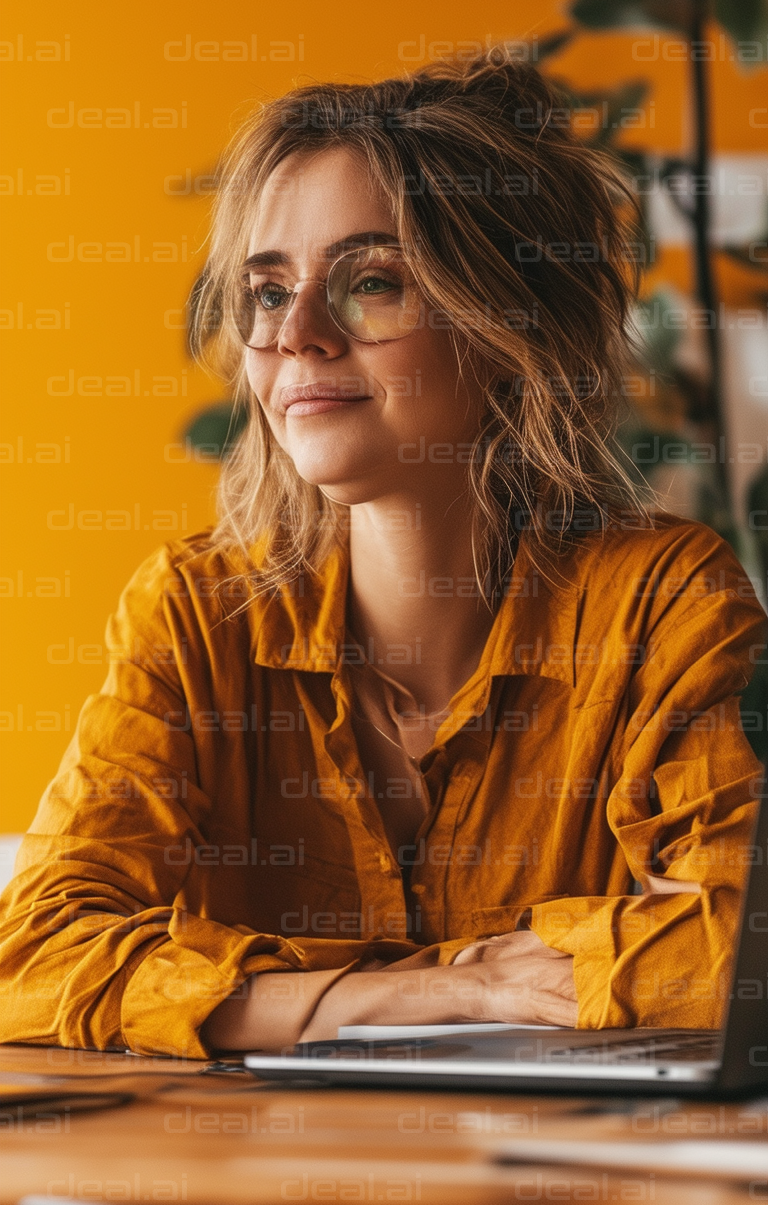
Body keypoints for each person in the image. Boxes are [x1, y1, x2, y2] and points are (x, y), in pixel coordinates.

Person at [0, 53, 764, 1058]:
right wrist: (450, 988)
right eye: (268, 294)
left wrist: (254, 992)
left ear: (505, 324)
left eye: (371, 283)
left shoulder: (663, 605)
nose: (298, 336)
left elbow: (734, 953)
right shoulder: (195, 613)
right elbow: (31, 964)